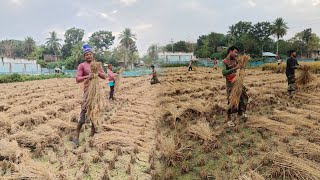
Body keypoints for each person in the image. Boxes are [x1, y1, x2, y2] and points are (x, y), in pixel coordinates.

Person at [73, 44, 106, 147]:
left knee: (94, 114)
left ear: (93, 55)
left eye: (90, 54)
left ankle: (93, 132)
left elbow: (104, 76)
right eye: (87, 54)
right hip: (87, 93)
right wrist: (88, 76)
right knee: (83, 116)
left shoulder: (97, 65)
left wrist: (97, 73)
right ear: (84, 56)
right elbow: (77, 79)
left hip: (96, 94)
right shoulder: (82, 66)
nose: (89, 56)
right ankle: (76, 135)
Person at [222, 46, 248, 127]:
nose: (236, 54)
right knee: (231, 101)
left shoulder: (236, 60)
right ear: (230, 51)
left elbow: (241, 67)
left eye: (237, 53)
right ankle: (229, 118)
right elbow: (224, 72)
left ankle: (240, 113)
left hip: (238, 83)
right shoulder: (225, 61)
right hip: (230, 85)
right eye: (235, 52)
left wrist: (242, 66)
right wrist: (235, 68)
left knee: (243, 97)